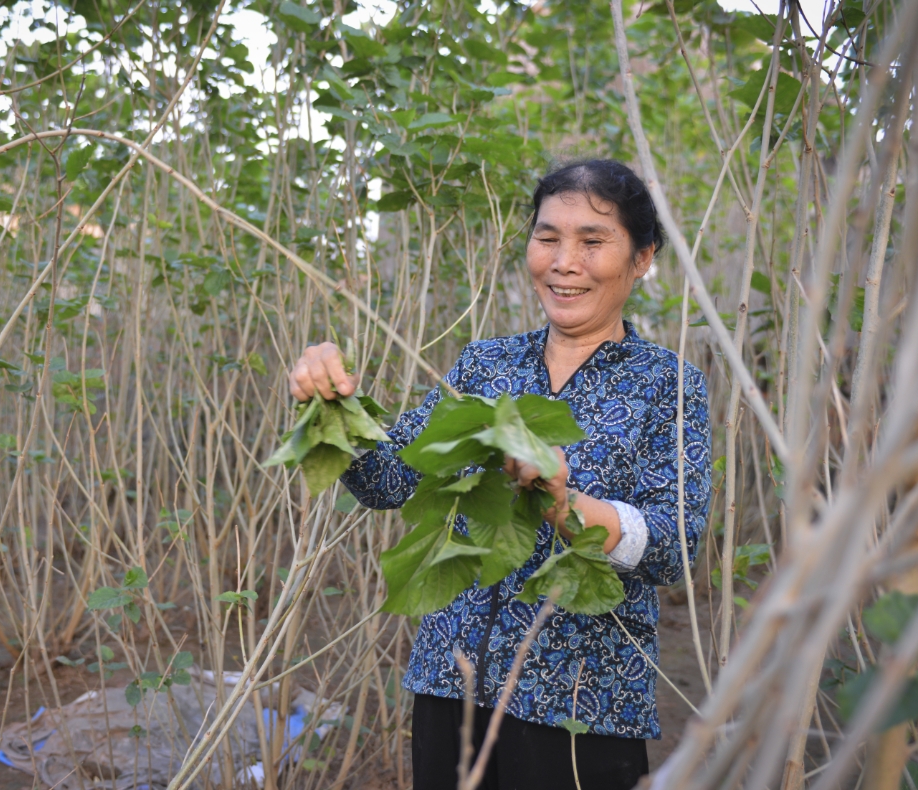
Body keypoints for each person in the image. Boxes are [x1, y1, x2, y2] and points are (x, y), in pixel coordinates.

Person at [287, 159, 712, 790]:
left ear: (642, 257)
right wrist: (333, 403)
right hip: (452, 683)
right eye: (548, 238)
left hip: (583, 703)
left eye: (593, 242)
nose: (564, 262)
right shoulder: (487, 364)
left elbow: (675, 547)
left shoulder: (669, 385)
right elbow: (388, 480)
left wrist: (567, 507)